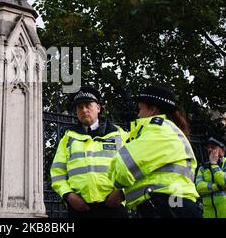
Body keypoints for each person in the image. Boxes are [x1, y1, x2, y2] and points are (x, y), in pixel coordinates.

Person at [108, 85, 202, 218]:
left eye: (140, 109)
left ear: (152, 109)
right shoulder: (169, 130)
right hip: (174, 203)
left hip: (165, 205)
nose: (138, 114)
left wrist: (117, 186)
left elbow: (124, 166)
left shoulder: (158, 129)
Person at [50, 86, 129, 218]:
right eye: (80, 107)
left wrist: (122, 193)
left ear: (98, 108)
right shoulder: (68, 138)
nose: (84, 110)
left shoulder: (118, 135)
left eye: (88, 105)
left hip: (113, 207)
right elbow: (57, 172)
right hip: (79, 209)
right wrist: (68, 195)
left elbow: (132, 167)